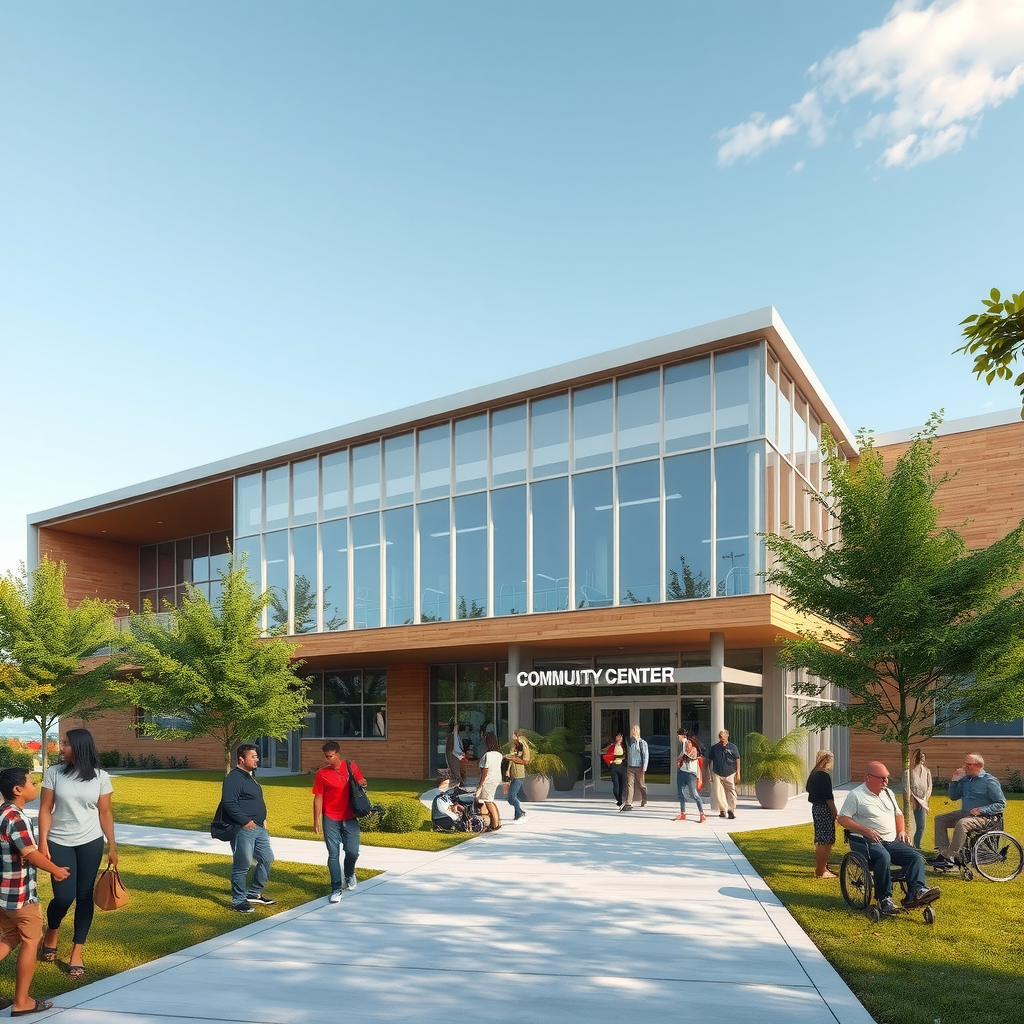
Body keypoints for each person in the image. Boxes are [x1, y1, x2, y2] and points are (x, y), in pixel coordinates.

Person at [37, 728, 118, 979]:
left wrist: (112, 845)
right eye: (61, 743)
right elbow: (45, 808)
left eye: (66, 744)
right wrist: (42, 842)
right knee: (63, 896)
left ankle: (76, 952)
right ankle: (52, 930)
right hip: (59, 841)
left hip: (90, 841)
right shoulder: (54, 773)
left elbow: (105, 813)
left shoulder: (100, 777)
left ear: (80, 747)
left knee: (84, 896)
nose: (61, 748)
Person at [0, 767, 70, 1016]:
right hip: (18, 896)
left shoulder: (2, 813)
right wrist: (56, 871)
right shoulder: (16, 818)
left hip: (2, 897)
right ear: (18, 790)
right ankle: (22, 1002)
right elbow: (29, 854)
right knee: (32, 941)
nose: (35, 784)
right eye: (31, 781)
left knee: (10, 937)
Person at [837, 761, 940, 915]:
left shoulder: (888, 793)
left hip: (891, 841)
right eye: (881, 778)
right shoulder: (856, 795)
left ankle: (916, 892)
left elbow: (898, 814)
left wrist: (902, 831)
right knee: (883, 856)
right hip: (868, 842)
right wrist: (865, 830)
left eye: (887, 778)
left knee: (915, 856)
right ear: (868, 778)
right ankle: (884, 898)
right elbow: (843, 819)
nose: (885, 782)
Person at [221, 743, 275, 913]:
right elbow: (229, 802)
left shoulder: (249, 776)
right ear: (241, 759)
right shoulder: (234, 778)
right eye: (253, 756)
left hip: (259, 828)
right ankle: (238, 900)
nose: (257, 759)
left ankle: (254, 893)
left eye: (257, 756)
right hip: (244, 828)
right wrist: (245, 820)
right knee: (242, 864)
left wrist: (262, 820)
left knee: (267, 858)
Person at [312, 741, 366, 903]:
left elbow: (361, 783)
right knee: (333, 855)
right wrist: (316, 821)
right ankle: (336, 888)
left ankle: (349, 873)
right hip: (330, 818)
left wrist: (363, 784)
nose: (327, 759)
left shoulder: (350, 766)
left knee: (352, 851)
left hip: (349, 816)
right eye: (325, 757)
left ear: (338, 755)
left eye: (330, 756)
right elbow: (318, 797)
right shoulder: (322, 774)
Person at [931, 752, 1005, 870]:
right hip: (966, 813)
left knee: (962, 823)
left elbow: (1001, 804)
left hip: (985, 817)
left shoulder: (989, 781)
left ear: (979, 765)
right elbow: (953, 796)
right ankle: (943, 853)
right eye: (965, 764)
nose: (965, 767)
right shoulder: (966, 779)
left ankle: (951, 856)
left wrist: (982, 809)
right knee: (940, 819)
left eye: (969, 764)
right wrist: (955, 780)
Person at [806, 749, 838, 878]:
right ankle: (820, 871)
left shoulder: (813, 774)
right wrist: (834, 811)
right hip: (824, 808)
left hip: (816, 808)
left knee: (822, 840)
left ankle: (822, 868)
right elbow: (828, 797)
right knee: (826, 841)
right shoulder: (823, 776)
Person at [674, 727, 706, 822]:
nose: (678, 738)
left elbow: (688, 754)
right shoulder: (685, 744)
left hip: (690, 772)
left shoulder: (688, 744)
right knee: (681, 793)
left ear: (682, 735)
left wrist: (684, 742)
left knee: (694, 794)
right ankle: (683, 813)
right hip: (682, 771)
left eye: (678, 736)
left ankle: (702, 814)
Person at [708, 729, 741, 819]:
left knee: (731, 792)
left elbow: (737, 759)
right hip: (717, 772)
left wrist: (738, 772)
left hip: (730, 772)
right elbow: (710, 761)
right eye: (720, 737)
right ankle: (722, 810)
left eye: (723, 737)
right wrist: (710, 774)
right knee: (718, 792)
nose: (722, 739)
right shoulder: (714, 748)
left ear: (727, 737)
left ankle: (731, 810)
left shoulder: (733, 747)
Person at [476, 733, 503, 831]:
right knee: (490, 799)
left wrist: (480, 784)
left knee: (488, 801)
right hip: (496, 779)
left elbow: (485, 770)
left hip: (488, 780)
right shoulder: (499, 755)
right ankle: (496, 821)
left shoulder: (488, 755)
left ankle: (495, 824)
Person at [504, 729, 530, 822]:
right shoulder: (514, 745)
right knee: (511, 797)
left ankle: (519, 812)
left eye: (514, 735)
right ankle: (519, 812)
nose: (512, 736)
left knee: (512, 796)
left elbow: (526, 761)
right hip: (512, 773)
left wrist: (514, 759)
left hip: (519, 774)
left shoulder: (523, 745)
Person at [621, 724, 648, 812]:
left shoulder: (642, 743)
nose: (633, 733)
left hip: (639, 767)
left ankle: (644, 799)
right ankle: (628, 802)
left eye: (635, 731)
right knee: (630, 784)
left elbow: (645, 755)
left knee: (641, 785)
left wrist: (644, 767)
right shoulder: (630, 743)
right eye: (633, 731)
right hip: (631, 767)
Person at [909, 749, 932, 850]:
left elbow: (929, 786)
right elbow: (907, 786)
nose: (922, 759)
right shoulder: (909, 771)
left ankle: (917, 845)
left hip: (922, 803)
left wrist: (925, 800)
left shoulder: (927, 771)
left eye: (923, 757)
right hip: (912, 802)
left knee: (921, 826)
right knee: (909, 825)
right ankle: (907, 845)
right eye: (920, 757)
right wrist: (912, 799)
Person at [603, 732, 627, 807]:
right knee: (616, 784)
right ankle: (618, 798)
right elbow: (606, 753)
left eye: (621, 737)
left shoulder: (624, 746)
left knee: (622, 784)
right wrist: (610, 761)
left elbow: (626, 756)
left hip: (622, 766)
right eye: (618, 737)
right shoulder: (612, 746)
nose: (619, 738)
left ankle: (620, 799)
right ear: (615, 738)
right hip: (614, 767)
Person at [445, 723, 467, 788]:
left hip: (454, 756)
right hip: (453, 756)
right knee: (456, 771)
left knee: (456, 771)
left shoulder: (453, 736)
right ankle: (458, 785)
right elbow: (455, 748)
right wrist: (462, 754)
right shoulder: (452, 736)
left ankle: (458, 784)